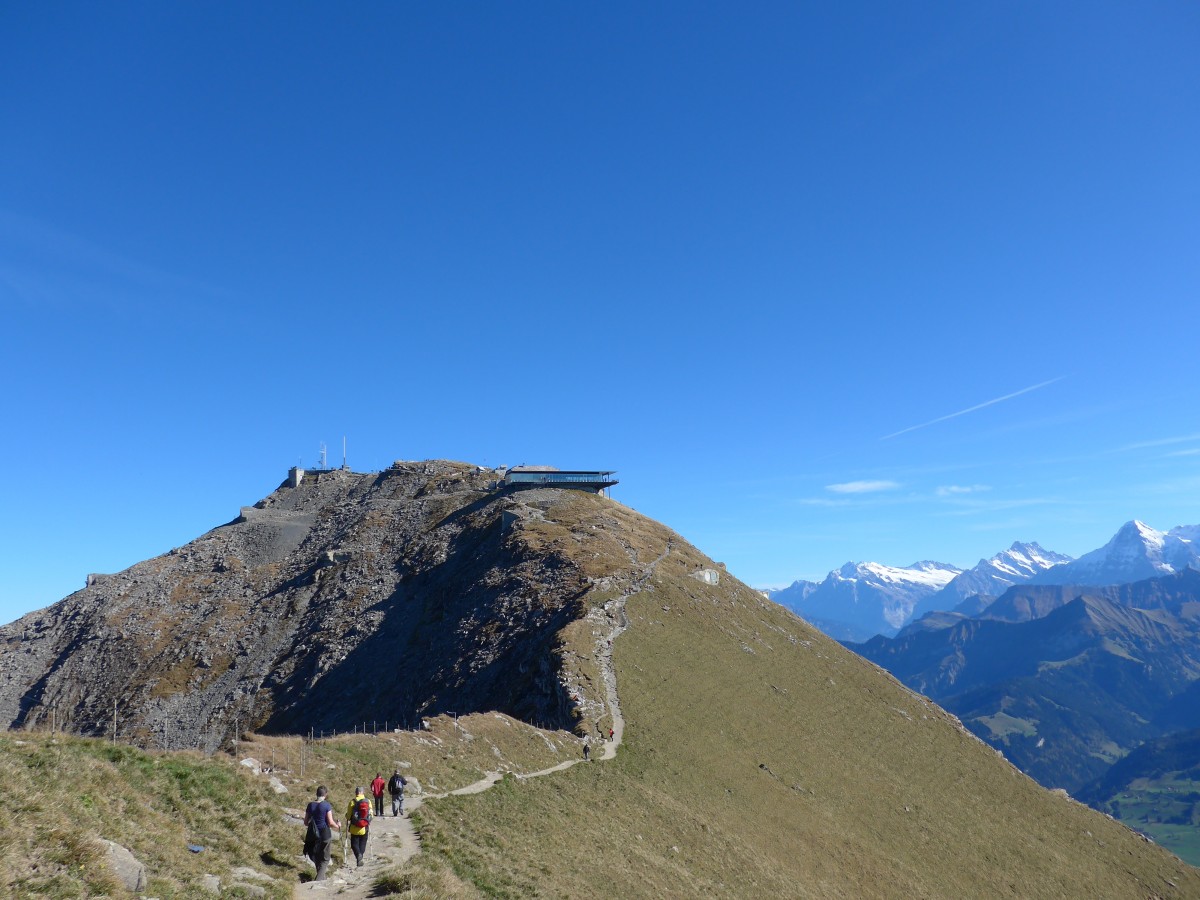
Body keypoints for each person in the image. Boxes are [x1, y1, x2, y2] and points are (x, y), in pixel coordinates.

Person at [303, 786, 340, 881]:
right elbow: (330, 822)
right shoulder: (326, 805)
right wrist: (337, 826)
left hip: (313, 835)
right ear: (325, 795)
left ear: (316, 794)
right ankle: (319, 879)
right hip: (325, 834)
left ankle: (321, 877)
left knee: (316, 856)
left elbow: (306, 822)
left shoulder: (310, 805)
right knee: (325, 859)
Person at [346, 786, 372, 867]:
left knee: (354, 844)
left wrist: (347, 816)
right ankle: (360, 856)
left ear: (356, 793)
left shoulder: (352, 802)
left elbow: (348, 816)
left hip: (354, 827)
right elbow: (371, 814)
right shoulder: (368, 801)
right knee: (363, 842)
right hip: (364, 827)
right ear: (362, 792)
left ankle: (358, 856)